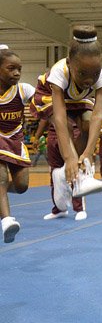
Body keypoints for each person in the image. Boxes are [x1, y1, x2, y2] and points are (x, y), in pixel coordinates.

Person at [30, 25, 102, 212]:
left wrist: (88, 152)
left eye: (95, 73)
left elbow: (97, 115)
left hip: (78, 99)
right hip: (49, 95)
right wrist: (69, 157)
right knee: (68, 125)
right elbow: (59, 117)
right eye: (82, 73)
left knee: (87, 122)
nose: (89, 79)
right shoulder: (60, 72)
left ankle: (81, 173)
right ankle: (70, 170)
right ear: (69, 64)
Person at [0, 47, 35, 242]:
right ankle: (6, 220)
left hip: (15, 140)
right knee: (1, 178)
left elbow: (44, 105)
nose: (17, 73)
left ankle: (1, 194)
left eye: (19, 69)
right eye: (11, 68)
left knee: (22, 186)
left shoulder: (24, 89)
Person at [42, 120, 88, 221]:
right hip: (53, 132)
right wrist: (37, 136)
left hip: (72, 131)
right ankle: (59, 208)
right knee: (55, 173)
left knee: (74, 170)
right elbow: (44, 117)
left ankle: (80, 209)